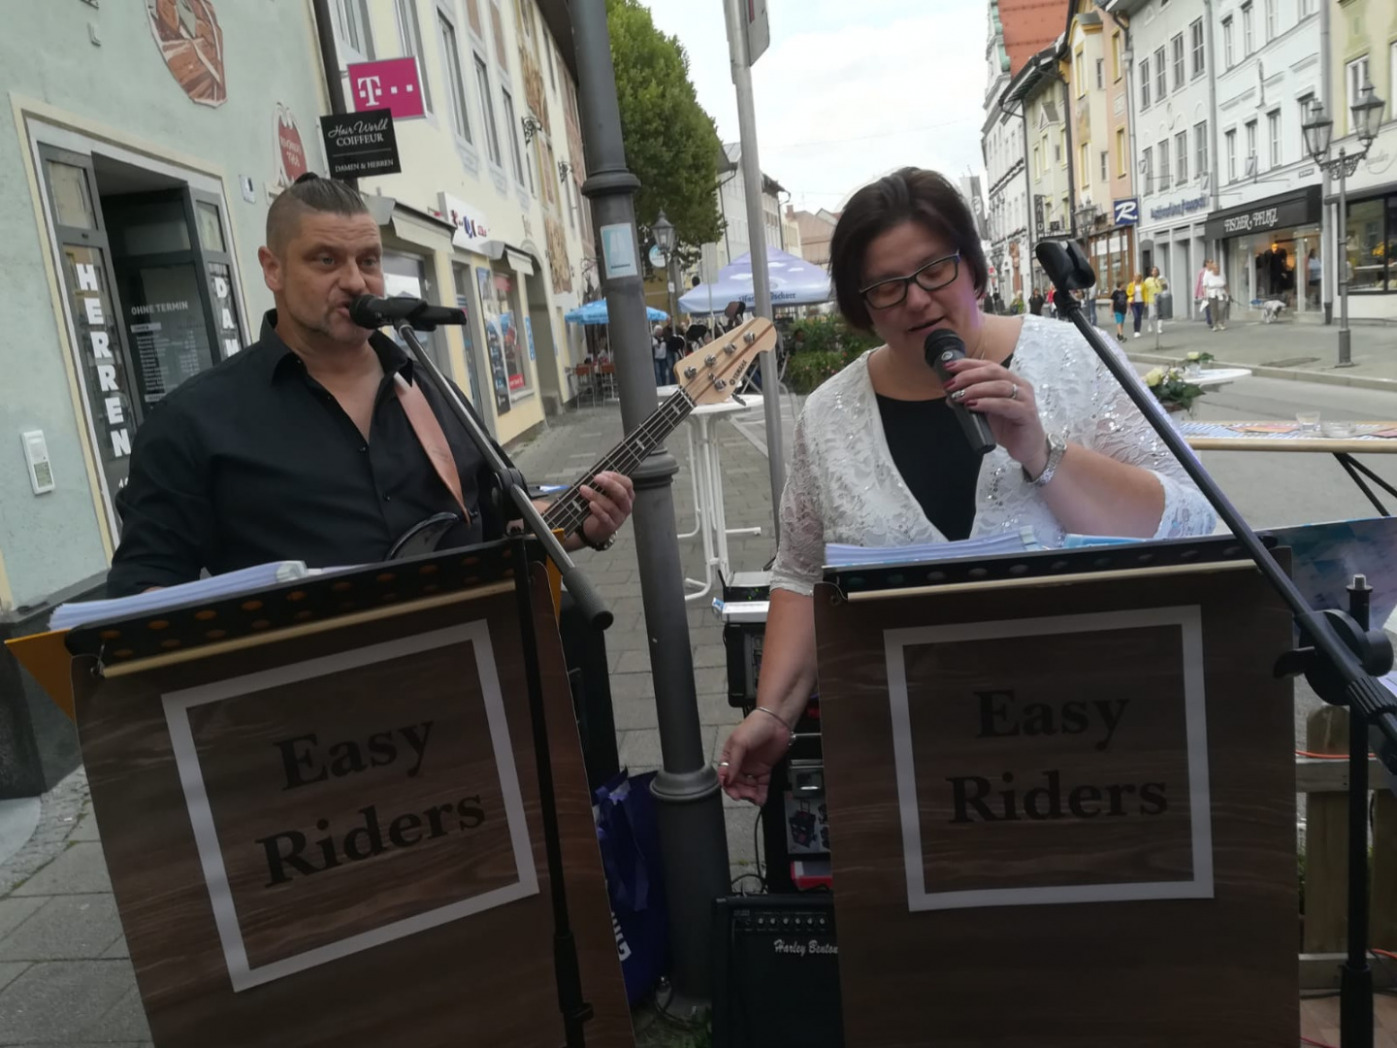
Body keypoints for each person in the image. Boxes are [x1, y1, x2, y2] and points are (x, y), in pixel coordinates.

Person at [715, 167, 1216, 804]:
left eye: (935, 270)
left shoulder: (1076, 358)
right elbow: (801, 574)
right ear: (862, 307)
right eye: (887, 287)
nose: (917, 300)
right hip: (910, 770)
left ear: (972, 268)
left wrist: (1042, 453)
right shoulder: (828, 416)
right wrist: (774, 712)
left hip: (1095, 754)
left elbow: (1193, 522)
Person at [108, 174, 635, 596]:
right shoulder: (191, 423)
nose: (356, 281)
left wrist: (581, 526)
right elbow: (144, 589)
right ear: (273, 269)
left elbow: (501, 522)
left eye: (368, 261)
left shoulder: (432, 391)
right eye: (326, 260)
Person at [1203, 261, 1229, 331]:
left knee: (1222, 308)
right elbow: (1204, 286)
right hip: (1212, 294)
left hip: (1221, 293)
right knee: (1213, 310)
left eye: (1218, 268)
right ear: (1212, 269)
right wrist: (1205, 295)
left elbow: (1225, 284)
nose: (1217, 270)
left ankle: (1221, 323)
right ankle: (1215, 324)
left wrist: (1228, 294)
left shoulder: (1222, 274)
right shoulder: (1207, 275)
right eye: (1215, 268)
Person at [1143, 267, 1163, 333]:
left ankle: (1159, 328)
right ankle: (1150, 325)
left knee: (1159, 314)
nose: (1155, 272)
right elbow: (1144, 290)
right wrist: (1145, 300)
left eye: (1156, 270)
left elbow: (1165, 287)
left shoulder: (1161, 279)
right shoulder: (1148, 280)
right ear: (1151, 272)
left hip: (1160, 298)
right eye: (1153, 271)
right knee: (1151, 314)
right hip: (1151, 299)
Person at [1126, 272, 1146, 337]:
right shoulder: (1131, 285)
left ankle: (1138, 331)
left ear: (1140, 278)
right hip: (1133, 302)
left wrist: (1146, 302)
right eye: (1135, 276)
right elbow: (1128, 293)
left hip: (1141, 302)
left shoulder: (1143, 285)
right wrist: (1132, 292)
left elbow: (1145, 293)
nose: (1136, 278)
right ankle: (1136, 331)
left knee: (1139, 317)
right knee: (1136, 316)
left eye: (1138, 276)